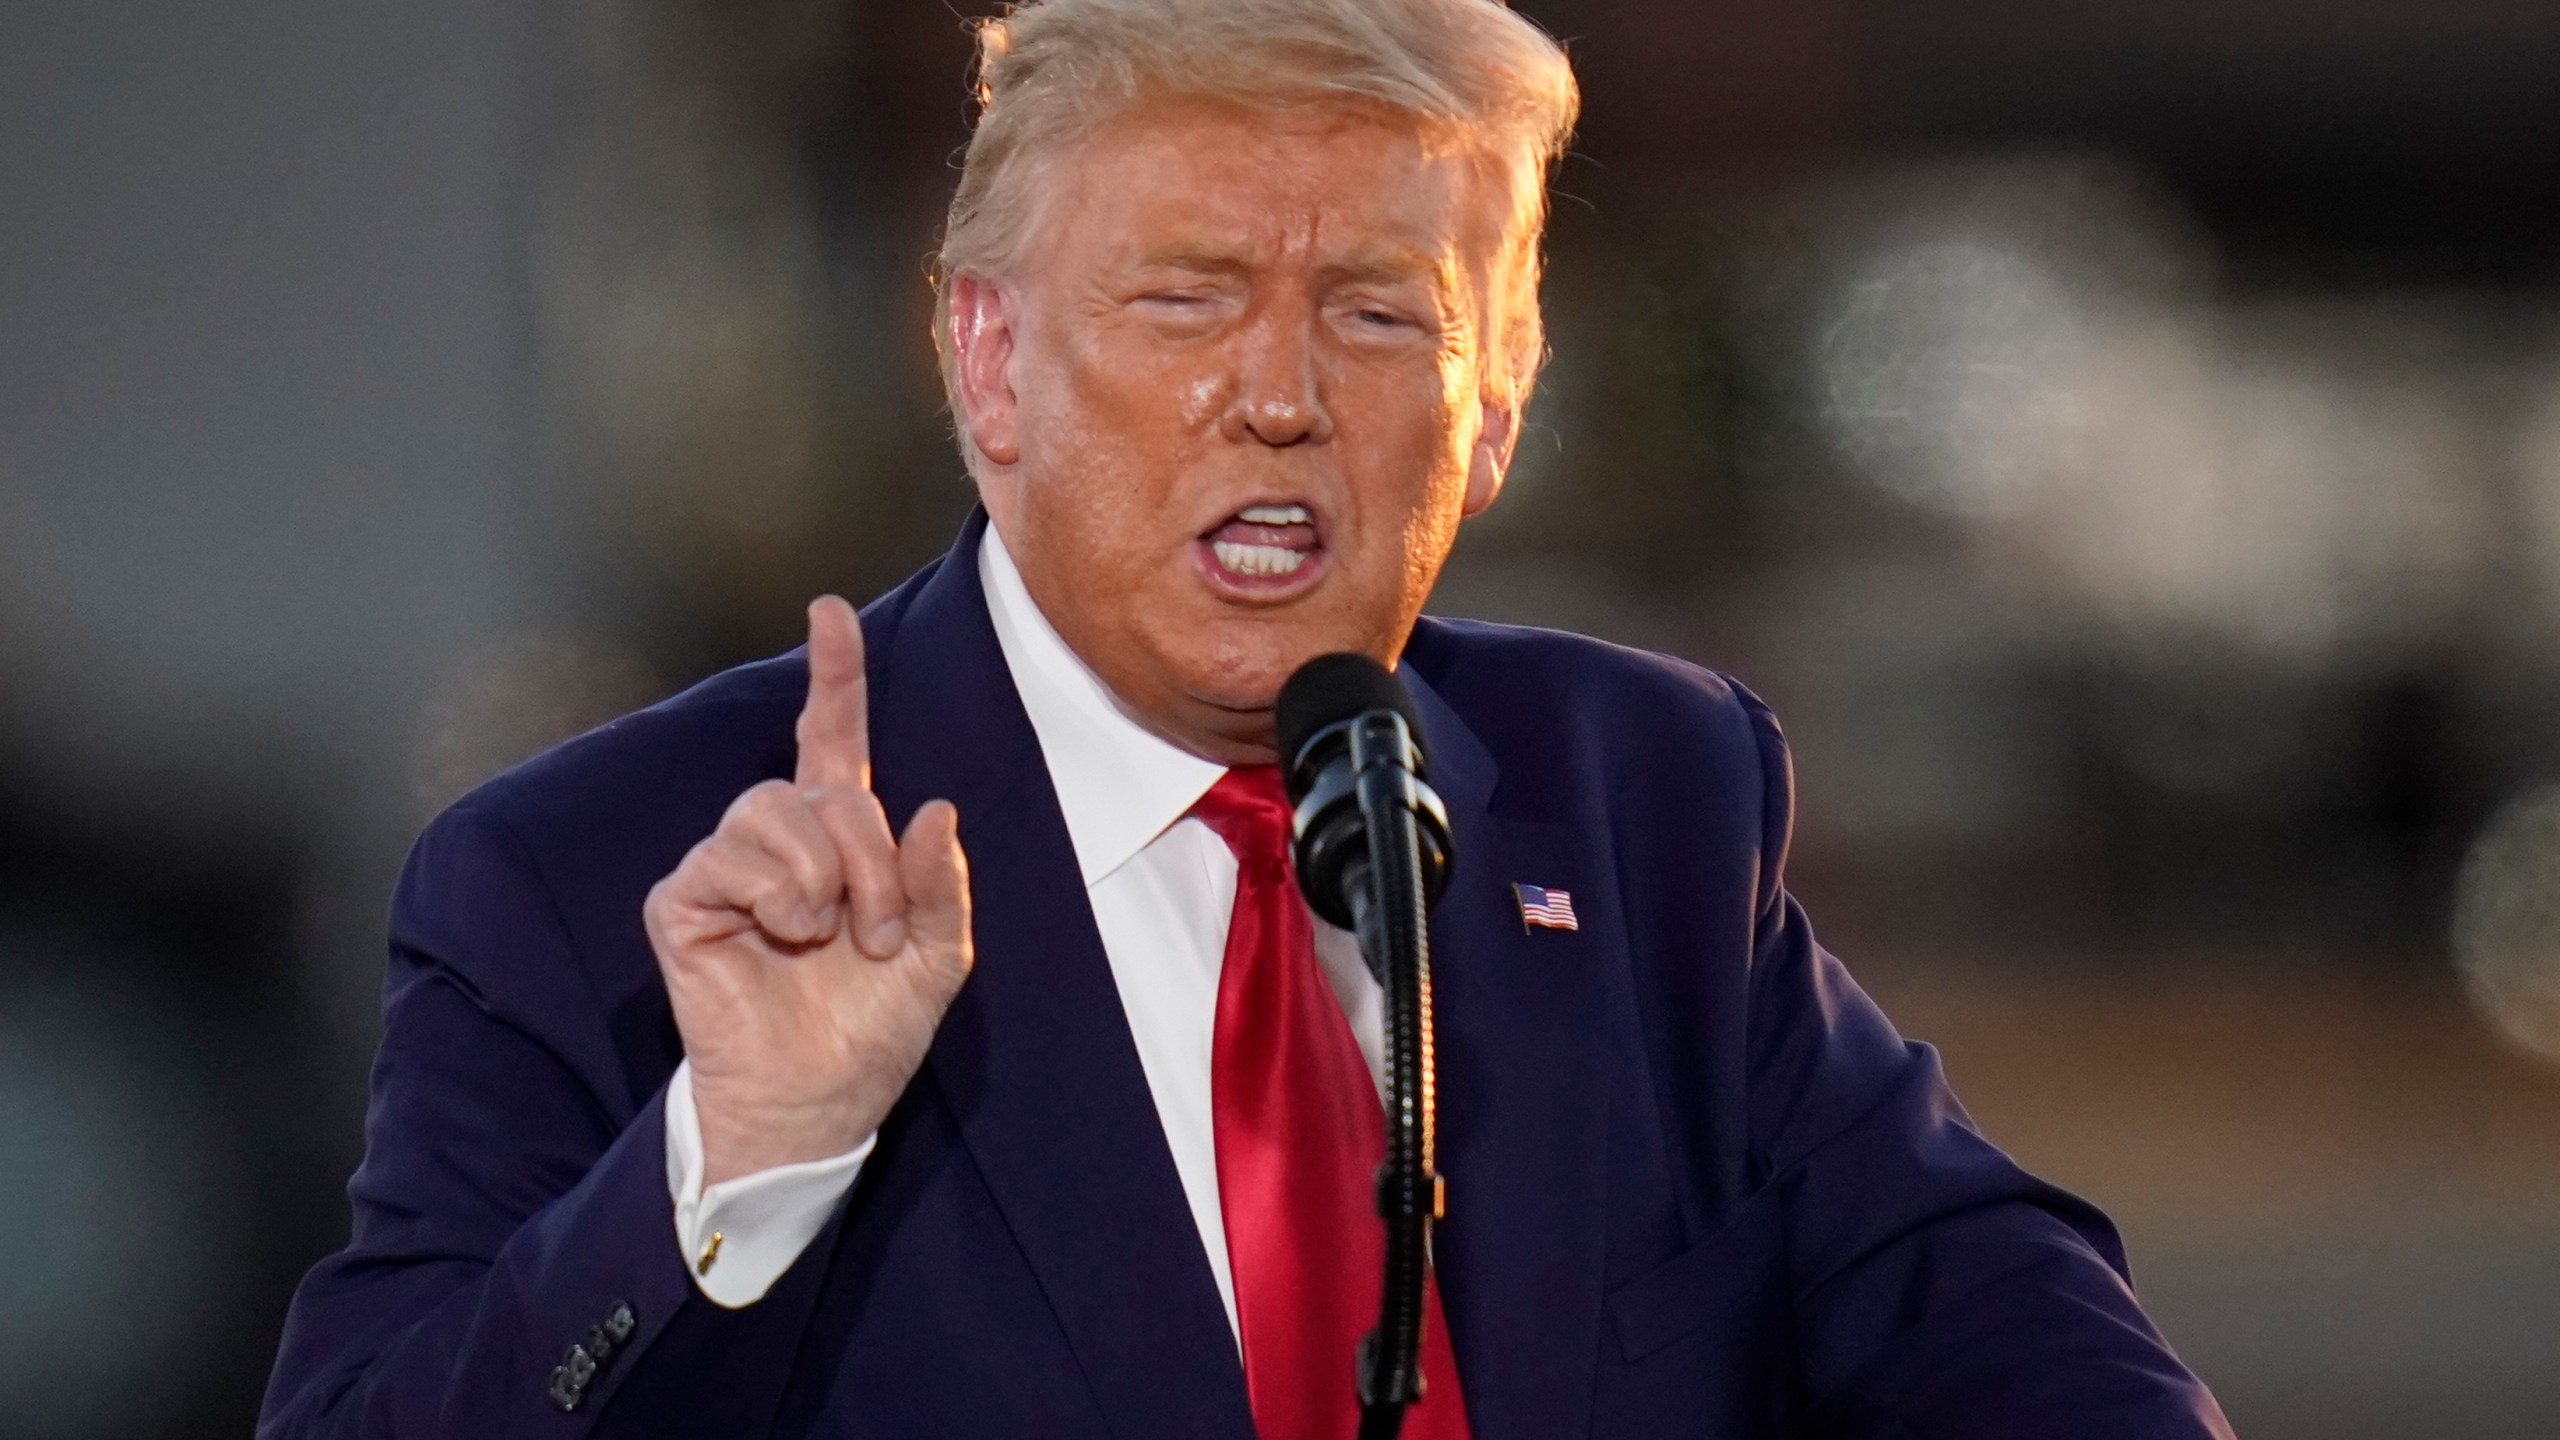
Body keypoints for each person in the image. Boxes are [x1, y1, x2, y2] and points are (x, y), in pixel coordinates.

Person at [262, 0, 2234, 1435]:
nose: (1277, 396)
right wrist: (735, 1160)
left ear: (1502, 391)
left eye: (1380, 311)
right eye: (1187, 299)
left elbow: (1986, 1316)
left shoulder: (1631, 801)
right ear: (989, 360)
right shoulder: (599, 876)